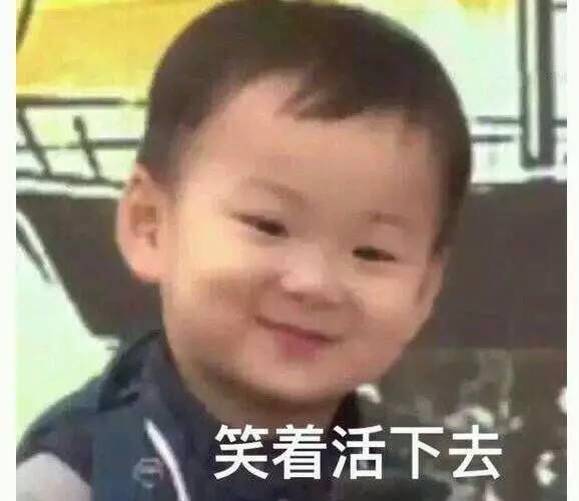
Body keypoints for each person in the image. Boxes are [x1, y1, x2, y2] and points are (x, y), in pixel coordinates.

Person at [16, 0, 471, 499]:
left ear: (425, 290)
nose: (314, 283)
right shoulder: (76, 483)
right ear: (150, 225)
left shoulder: (417, 478)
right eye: (268, 225)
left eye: (371, 253)